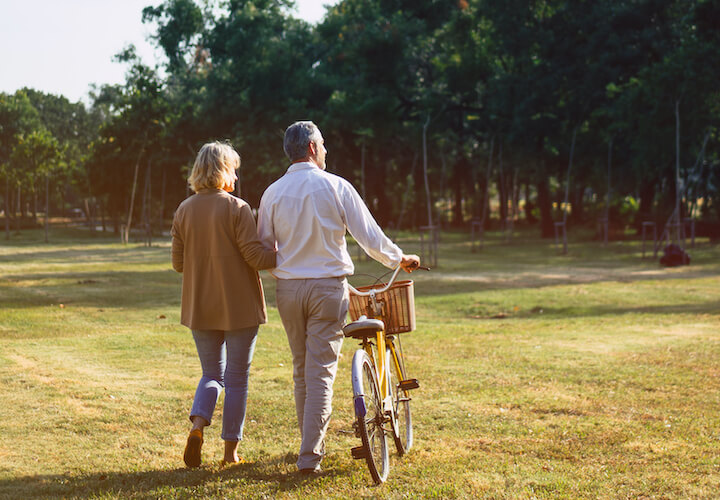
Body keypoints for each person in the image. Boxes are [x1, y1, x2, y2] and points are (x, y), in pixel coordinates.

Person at [257, 121, 419, 475]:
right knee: (320, 374)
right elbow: (369, 237)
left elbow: (264, 247)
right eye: (324, 145)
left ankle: (308, 445)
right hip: (327, 289)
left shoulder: (272, 192)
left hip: (288, 291)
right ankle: (309, 456)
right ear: (313, 148)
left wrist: (284, 272)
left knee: (302, 370)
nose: (327, 150)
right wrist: (398, 258)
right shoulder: (335, 186)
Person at [171, 141, 276, 468]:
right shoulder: (237, 208)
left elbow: (178, 264)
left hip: (200, 307)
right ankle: (230, 454)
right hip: (240, 306)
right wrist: (293, 251)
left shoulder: (183, 210)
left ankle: (198, 425)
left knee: (211, 374)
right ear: (225, 170)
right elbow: (256, 257)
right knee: (237, 380)